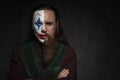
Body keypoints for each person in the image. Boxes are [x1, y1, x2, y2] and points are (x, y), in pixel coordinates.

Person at [10, 4, 77, 80]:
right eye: (38, 23)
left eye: (48, 23)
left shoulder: (68, 53)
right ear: (32, 26)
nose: (43, 29)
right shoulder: (19, 53)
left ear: (57, 25)